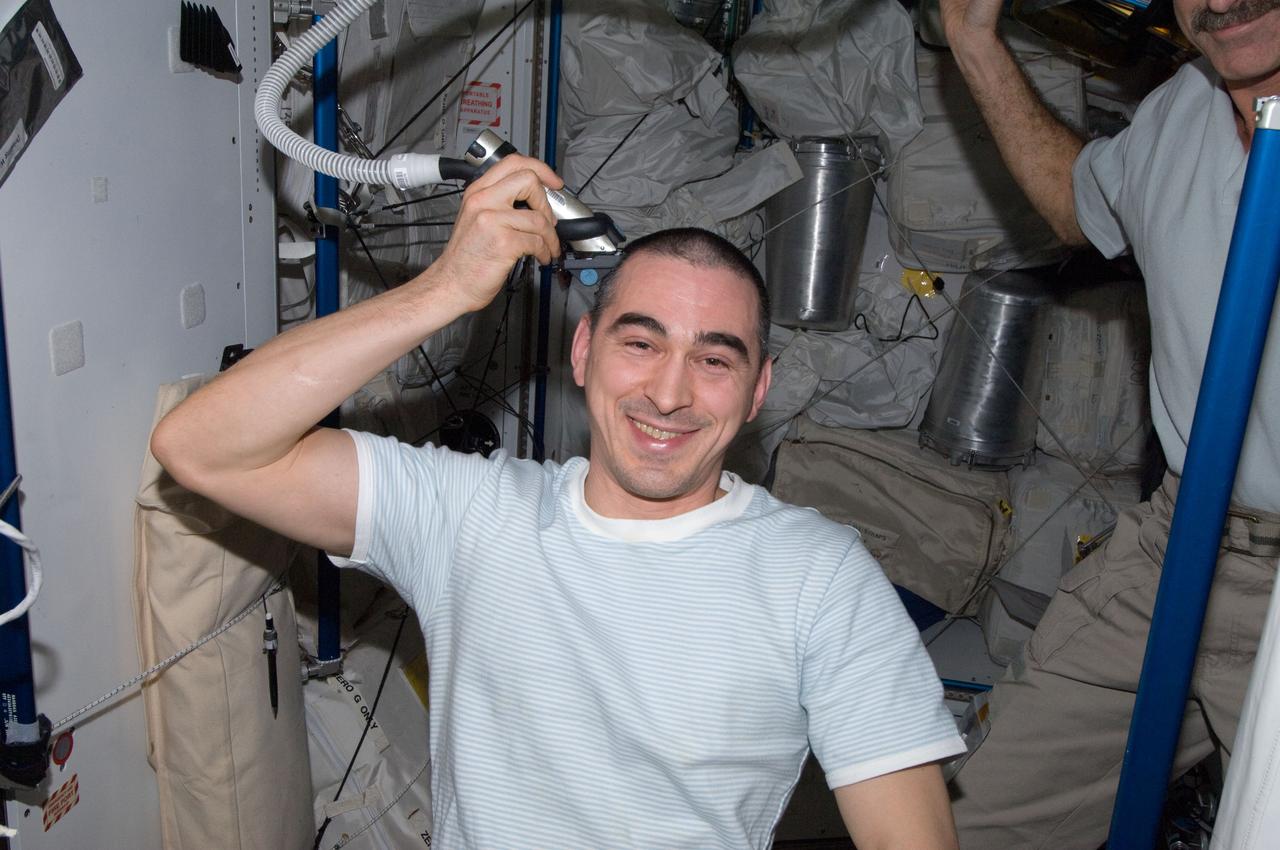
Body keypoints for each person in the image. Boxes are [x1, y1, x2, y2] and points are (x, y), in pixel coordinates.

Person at [150, 154, 965, 849]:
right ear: (584, 351)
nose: (670, 393)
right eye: (640, 343)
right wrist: (444, 290)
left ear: (758, 392)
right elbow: (202, 446)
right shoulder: (471, 514)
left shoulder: (819, 577)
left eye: (715, 361)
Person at [938, 0, 1280, 845]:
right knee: (973, 824)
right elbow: (1075, 200)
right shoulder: (1181, 111)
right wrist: (973, 40)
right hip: (1181, 546)